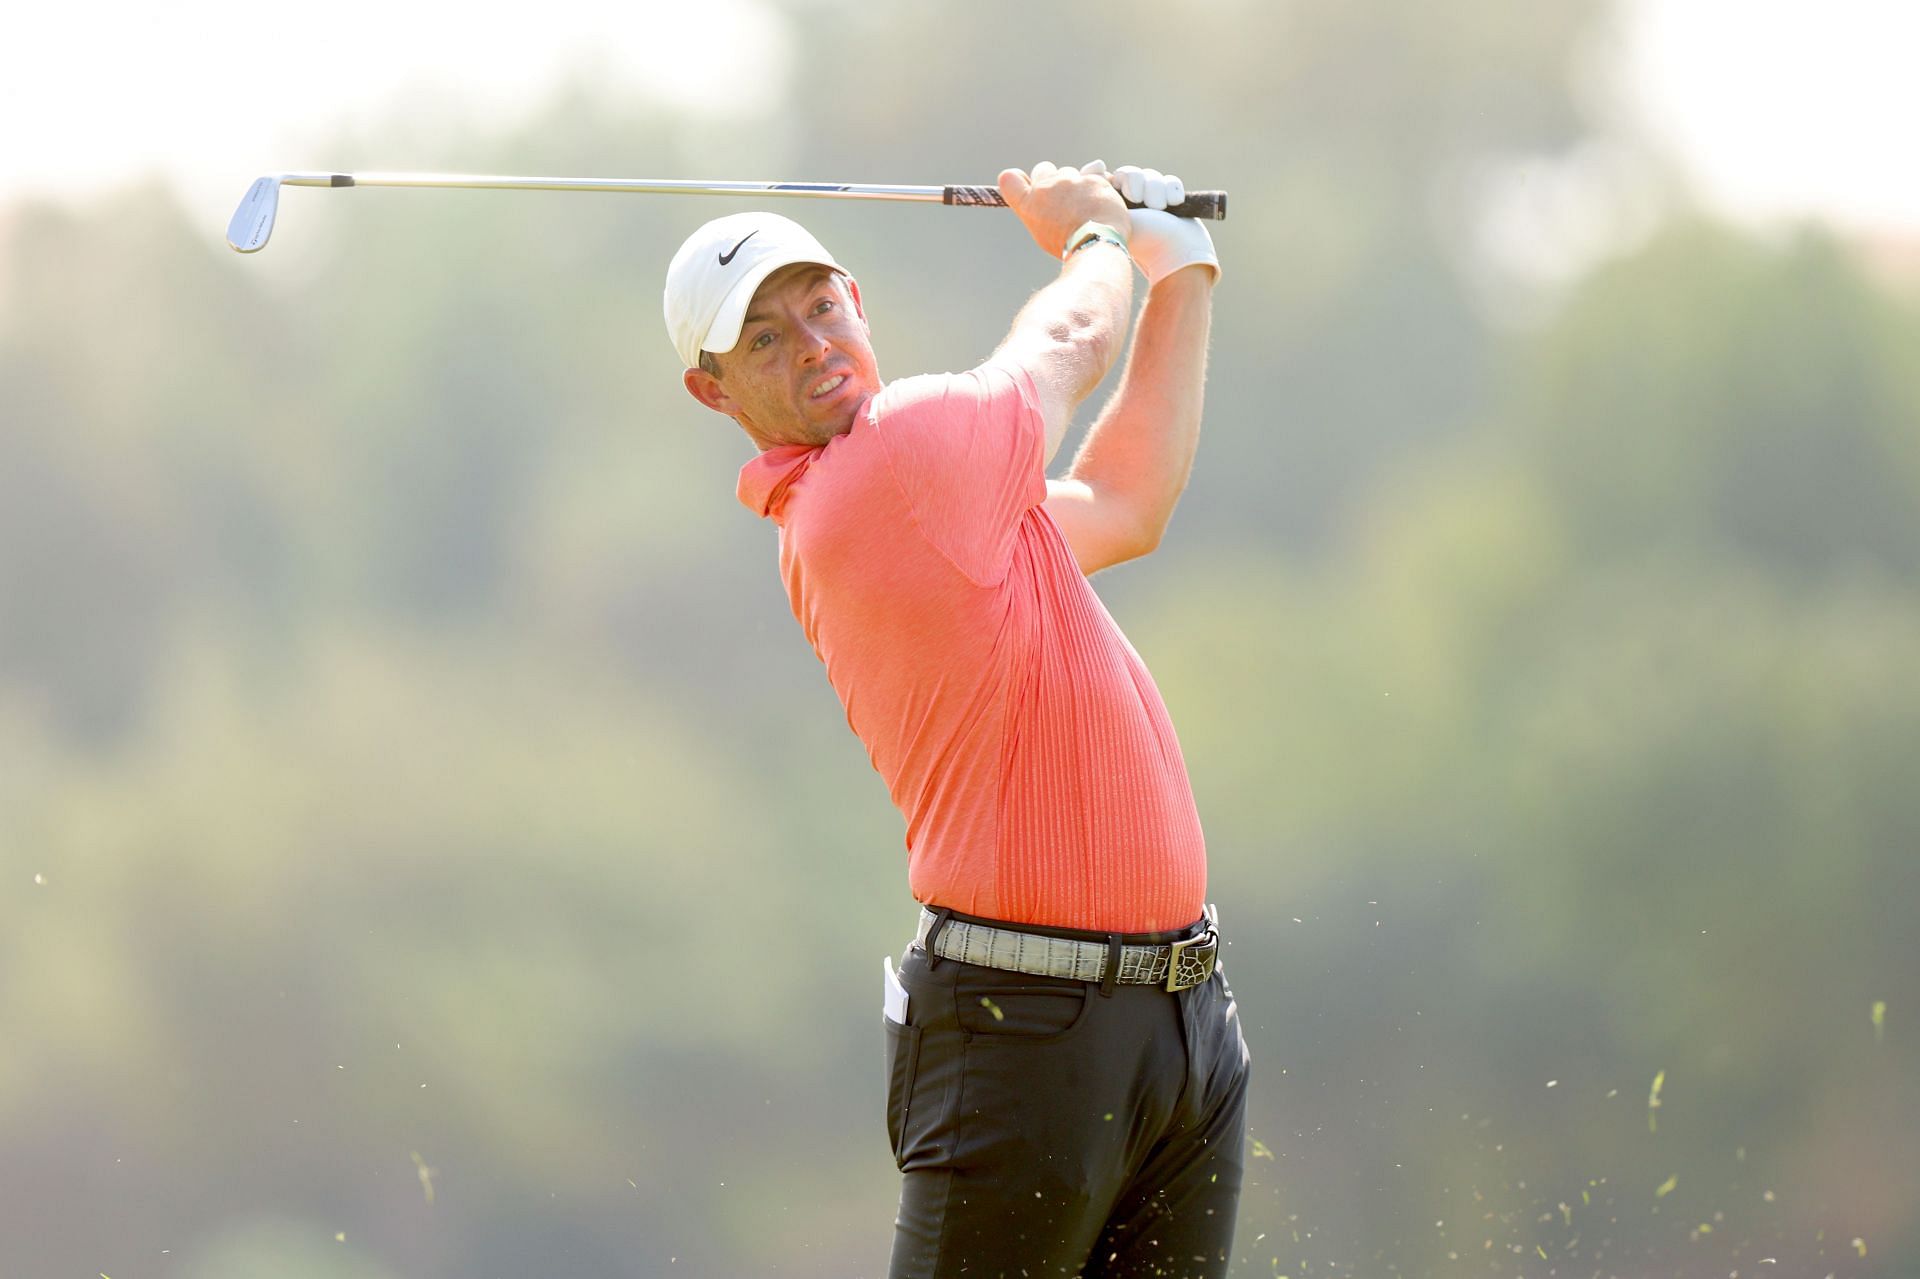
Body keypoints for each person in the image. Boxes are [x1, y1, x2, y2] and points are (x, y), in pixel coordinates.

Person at [663, 160, 1247, 1278]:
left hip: (1177, 1024)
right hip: (1025, 1022)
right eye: (767, 341)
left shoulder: (951, 499)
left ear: (858, 300)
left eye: (821, 307)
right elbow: (1071, 342)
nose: (815, 345)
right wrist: (1095, 236)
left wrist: (1182, 273)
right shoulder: (889, 470)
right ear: (716, 391)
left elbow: (1130, 499)